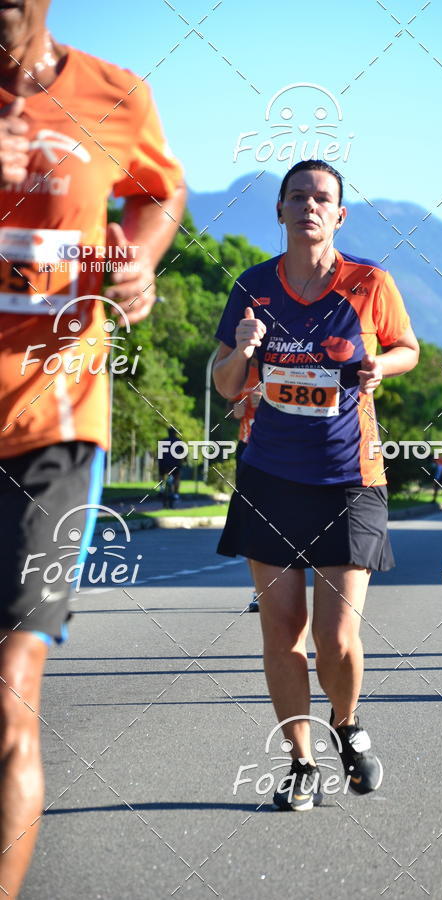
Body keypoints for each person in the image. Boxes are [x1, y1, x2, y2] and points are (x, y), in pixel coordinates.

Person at [0, 4, 185, 894]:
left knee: (11, 693)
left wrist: (140, 259)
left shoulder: (114, 94)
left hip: (55, 429)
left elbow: (161, 188)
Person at [213, 159, 419, 811]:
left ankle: (347, 722)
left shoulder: (369, 283)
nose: (309, 205)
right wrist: (243, 349)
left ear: (339, 214)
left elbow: (408, 346)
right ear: (279, 211)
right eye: (296, 196)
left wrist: (381, 364)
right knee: (283, 630)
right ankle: (301, 762)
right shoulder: (251, 288)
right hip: (270, 477)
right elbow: (224, 383)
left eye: (321, 197)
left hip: (350, 480)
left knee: (335, 638)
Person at [231, 365, 262, 612]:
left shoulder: (289, 363)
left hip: (278, 449)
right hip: (247, 448)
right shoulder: (244, 369)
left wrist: (266, 403)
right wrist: (239, 408)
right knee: (251, 521)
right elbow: (235, 411)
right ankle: (258, 590)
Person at [158, 426, 186, 503]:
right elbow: (184, 453)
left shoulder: (163, 441)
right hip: (175, 465)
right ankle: (176, 493)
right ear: (175, 433)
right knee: (177, 477)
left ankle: (161, 489)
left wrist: (160, 463)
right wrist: (184, 461)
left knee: (161, 475)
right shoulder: (179, 442)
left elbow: (159, 455)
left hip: (163, 465)